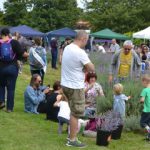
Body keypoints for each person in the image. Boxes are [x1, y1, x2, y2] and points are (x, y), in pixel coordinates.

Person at [61, 30, 95, 147]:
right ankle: (72, 140)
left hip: (65, 84)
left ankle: (70, 135)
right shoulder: (80, 52)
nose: (86, 43)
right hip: (75, 86)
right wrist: (86, 68)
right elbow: (91, 68)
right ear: (83, 39)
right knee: (76, 114)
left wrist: (82, 68)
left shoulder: (67, 47)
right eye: (87, 40)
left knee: (72, 111)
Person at [0, 28, 28, 112]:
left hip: (1, 68)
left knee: (1, 85)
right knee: (11, 88)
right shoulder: (14, 42)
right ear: (8, 34)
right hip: (13, 67)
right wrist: (28, 54)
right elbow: (23, 54)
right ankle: (9, 108)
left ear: (1, 34)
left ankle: (1, 102)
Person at [139, 74, 150, 141]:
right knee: (149, 123)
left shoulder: (145, 90)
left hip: (147, 110)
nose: (142, 84)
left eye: (142, 82)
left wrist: (140, 101)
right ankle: (148, 137)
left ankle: (149, 130)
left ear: (145, 81)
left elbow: (142, 100)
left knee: (142, 123)